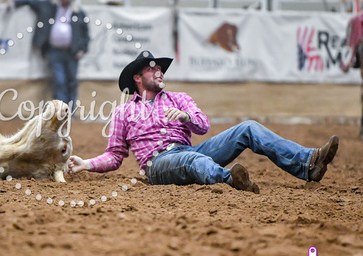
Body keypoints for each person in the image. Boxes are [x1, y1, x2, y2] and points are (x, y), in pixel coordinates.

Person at [68, 50, 340, 193]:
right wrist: (87, 164)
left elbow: (203, 125)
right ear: (137, 78)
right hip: (157, 164)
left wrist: (186, 117)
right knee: (192, 161)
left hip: (189, 151)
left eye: (160, 67)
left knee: (248, 127)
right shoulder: (123, 112)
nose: (159, 70)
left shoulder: (179, 98)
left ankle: (308, 163)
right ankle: (230, 179)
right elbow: (115, 156)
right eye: (152, 68)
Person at [12, 0, 90, 108]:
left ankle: (70, 110)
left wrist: (82, 49)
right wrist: (16, 3)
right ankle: (60, 110)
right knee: (59, 81)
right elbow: (33, 3)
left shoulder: (78, 13)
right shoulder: (49, 7)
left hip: (72, 52)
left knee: (71, 82)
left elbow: (85, 35)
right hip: (55, 51)